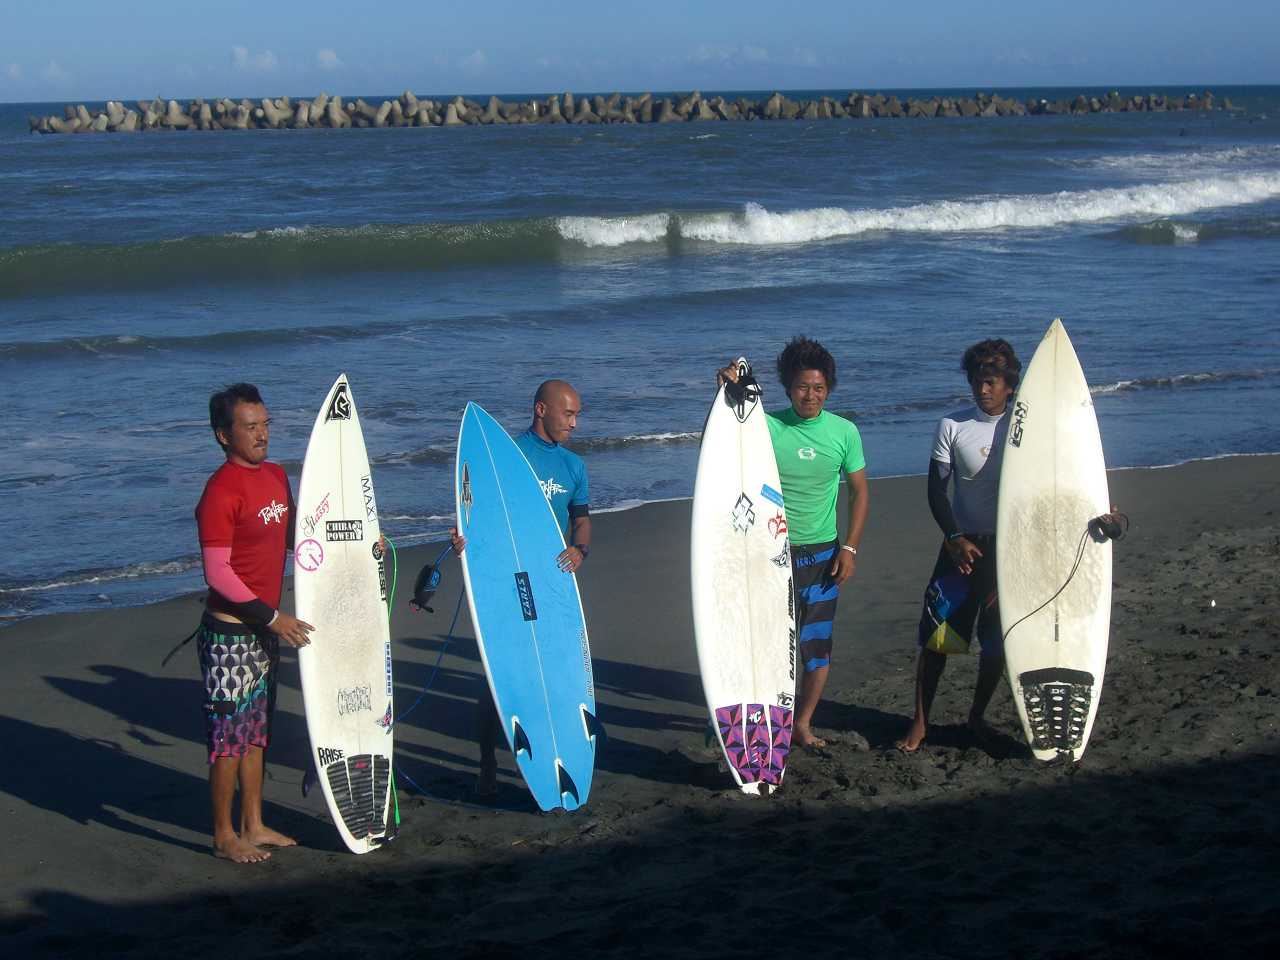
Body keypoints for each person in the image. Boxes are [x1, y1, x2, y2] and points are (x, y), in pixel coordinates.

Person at [720, 338, 869, 749]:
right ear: (788, 388)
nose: (811, 395)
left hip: (824, 558)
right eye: (803, 387)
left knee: (816, 646)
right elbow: (725, 438)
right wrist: (726, 391)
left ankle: (801, 724)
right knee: (770, 645)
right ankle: (769, 718)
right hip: (773, 554)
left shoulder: (844, 432)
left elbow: (859, 492)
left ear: (829, 389)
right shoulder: (767, 428)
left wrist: (850, 548)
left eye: (819, 388)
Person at [194, 383, 313, 862]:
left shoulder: (277, 476)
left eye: (265, 424)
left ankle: (254, 823)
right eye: (250, 427)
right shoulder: (220, 491)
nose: (262, 434)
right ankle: (224, 836)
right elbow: (217, 573)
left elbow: (296, 536)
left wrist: (359, 542)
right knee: (228, 739)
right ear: (224, 435)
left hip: (265, 629)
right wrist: (273, 617)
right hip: (229, 633)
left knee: (257, 731)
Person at [896, 339, 1020, 753]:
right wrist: (954, 538)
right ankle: (920, 722)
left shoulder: (1025, 427)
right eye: (976, 381)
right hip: (960, 548)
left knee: (997, 642)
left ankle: (977, 717)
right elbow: (936, 490)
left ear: (1009, 385)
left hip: (1007, 551)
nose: (981, 390)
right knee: (937, 636)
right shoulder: (953, 424)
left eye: (990, 382)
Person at [472, 379, 591, 796]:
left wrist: (580, 549)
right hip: (508, 580)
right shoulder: (509, 456)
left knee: (554, 669)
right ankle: (487, 761)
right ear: (541, 410)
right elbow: (478, 512)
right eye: (568, 414)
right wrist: (467, 542)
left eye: (577, 415)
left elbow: (580, 518)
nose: (574, 423)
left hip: (553, 580)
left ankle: (552, 750)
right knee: (501, 673)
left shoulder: (574, 466)